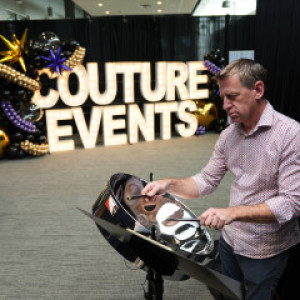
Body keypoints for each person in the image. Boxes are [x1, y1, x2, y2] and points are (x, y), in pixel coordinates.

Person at [142, 59, 300, 300]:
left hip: (265, 249)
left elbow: (291, 203)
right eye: (223, 97)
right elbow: (206, 180)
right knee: (227, 293)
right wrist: (169, 184)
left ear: (258, 90)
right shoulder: (228, 135)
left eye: (232, 96)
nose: (225, 105)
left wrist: (231, 213)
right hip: (229, 241)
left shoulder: (290, 134)